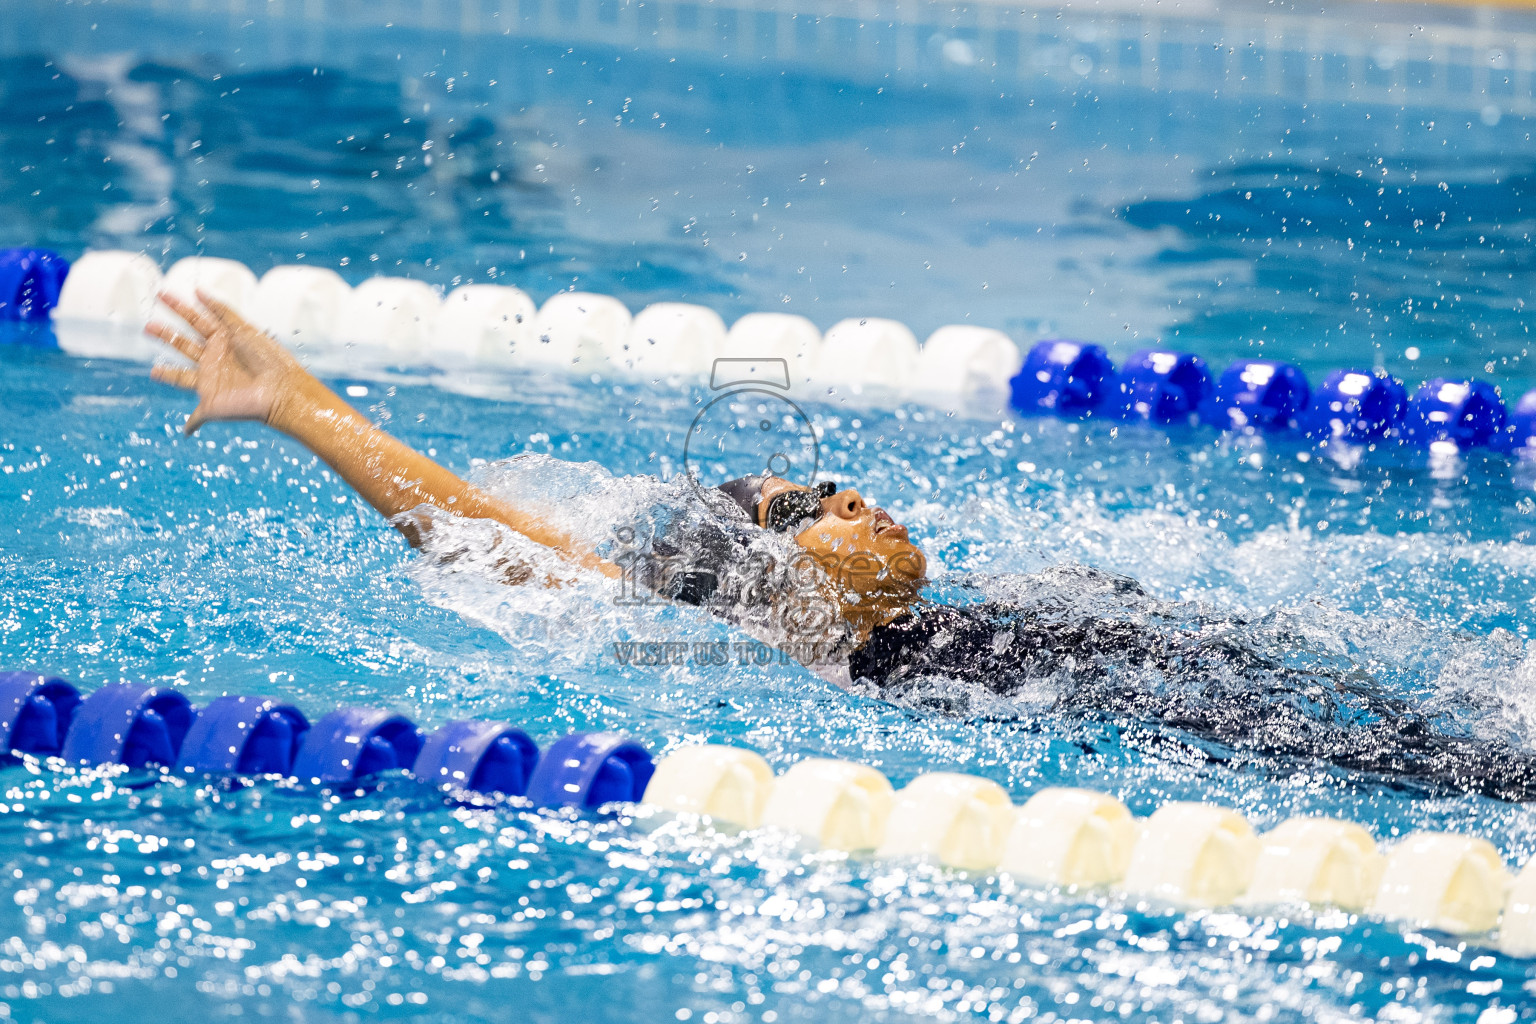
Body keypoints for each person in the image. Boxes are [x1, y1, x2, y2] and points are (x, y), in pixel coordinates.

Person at [145, 292, 1536, 803]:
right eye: (796, 505)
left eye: (823, 479)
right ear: (768, 583)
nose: (830, 484)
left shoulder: (1020, 604)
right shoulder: (834, 651)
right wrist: (307, 410)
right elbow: (507, 545)